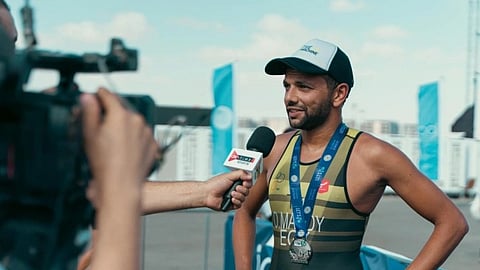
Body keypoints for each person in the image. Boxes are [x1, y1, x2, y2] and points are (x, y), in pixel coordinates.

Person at [232, 38, 469, 270]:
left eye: (303, 86)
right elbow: (244, 211)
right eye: (287, 85)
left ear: (339, 94)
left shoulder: (372, 154)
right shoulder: (275, 149)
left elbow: (452, 223)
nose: (290, 97)